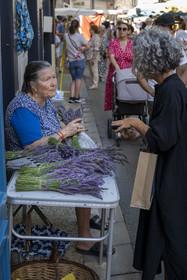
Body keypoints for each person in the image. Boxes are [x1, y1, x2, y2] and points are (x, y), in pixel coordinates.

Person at [5, 60, 114, 257]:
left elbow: (52, 132)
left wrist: (71, 132)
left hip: (47, 157)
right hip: (29, 165)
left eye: (54, 76)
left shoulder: (43, 100)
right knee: (82, 174)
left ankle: (85, 214)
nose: (54, 82)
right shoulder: (23, 107)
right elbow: (32, 147)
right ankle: (84, 240)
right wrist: (65, 133)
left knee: (89, 161)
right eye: (47, 79)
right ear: (33, 85)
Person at [112, 27, 187, 279]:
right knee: (168, 235)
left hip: (171, 174)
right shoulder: (172, 86)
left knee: (169, 234)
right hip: (173, 169)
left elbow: (162, 139)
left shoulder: (170, 90)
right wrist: (142, 130)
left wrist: (136, 123)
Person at [138, 13, 187, 117]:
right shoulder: (175, 46)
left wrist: (153, 93)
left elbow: (140, 76)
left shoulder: (148, 46)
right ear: (161, 27)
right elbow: (183, 71)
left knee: (158, 129)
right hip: (167, 97)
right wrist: (177, 92)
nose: (174, 30)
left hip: (160, 97)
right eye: (172, 27)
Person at [104, 22, 133, 111]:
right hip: (116, 71)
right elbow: (111, 56)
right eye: (119, 29)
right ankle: (118, 107)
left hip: (129, 73)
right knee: (116, 93)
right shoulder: (113, 42)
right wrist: (117, 67)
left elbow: (136, 57)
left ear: (128, 31)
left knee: (129, 92)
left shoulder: (132, 43)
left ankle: (128, 109)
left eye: (124, 29)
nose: (121, 31)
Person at [64, 20, 90, 103]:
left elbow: (65, 33)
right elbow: (88, 46)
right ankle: (76, 97)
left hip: (71, 61)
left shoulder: (66, 36)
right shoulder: (80, 36)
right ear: (78, 27)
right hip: (80, 60)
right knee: (78, 79)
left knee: (73, 79)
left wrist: (66, 26)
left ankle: (71, 97)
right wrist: (81, 51)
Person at [85, 24, 101, 90]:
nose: (89, 31)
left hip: (93, 57)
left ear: (93, 30)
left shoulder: (96, 37)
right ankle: (92, 83)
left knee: (94, 71)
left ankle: (95, 84)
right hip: (90, 56)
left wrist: (93, 58)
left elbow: (96, 49)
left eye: (90, 30)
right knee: (91, 71)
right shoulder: (93, 37)